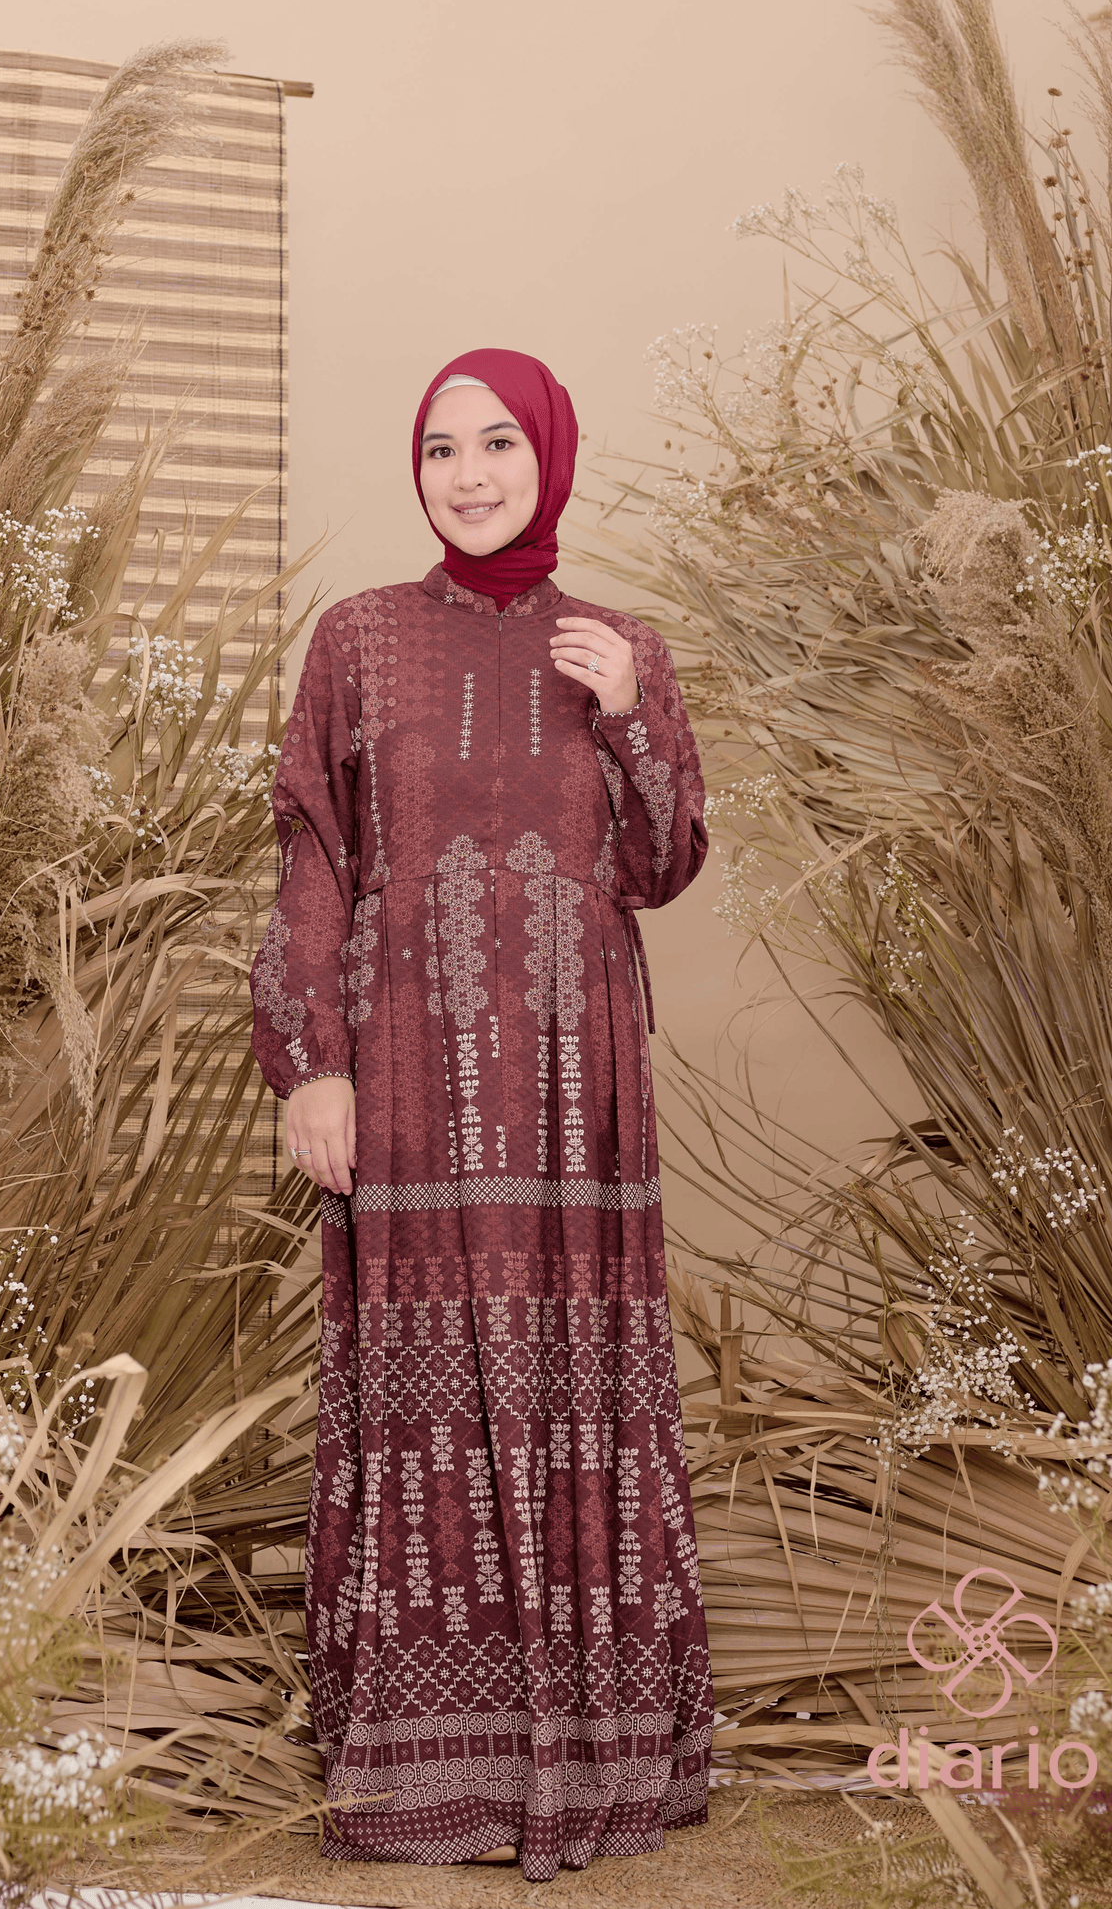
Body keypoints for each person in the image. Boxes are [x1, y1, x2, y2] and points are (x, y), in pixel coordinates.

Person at [250, 347, 712, 1882]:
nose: (468, 472)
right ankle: (425, 1767)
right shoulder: (360, 639)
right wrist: (311, 1063)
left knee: (578, 1382)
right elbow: (313, 854)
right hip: (407, 1079)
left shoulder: (622, 647)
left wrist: (631, 712)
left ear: (549, 455)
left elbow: (662, 864)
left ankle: (595, 1748)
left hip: (580, 1099)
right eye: (441, 447)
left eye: (499, 441)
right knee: (419, 1388)